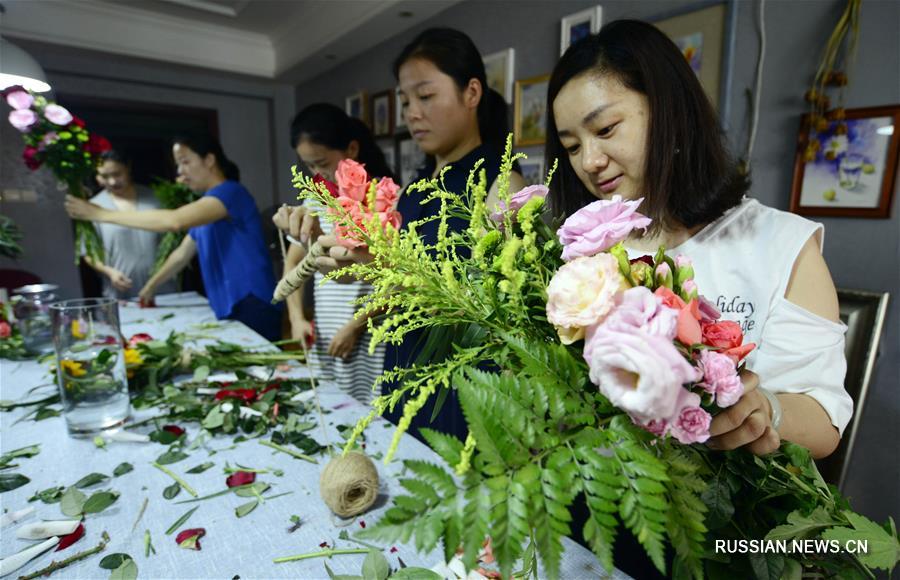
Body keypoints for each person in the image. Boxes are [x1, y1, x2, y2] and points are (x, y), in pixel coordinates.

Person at [545, 19, 852, 577]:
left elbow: (826, 420)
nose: (589, 160)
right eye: (572, 145)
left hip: (722, 537)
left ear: (668, 110)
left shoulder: (778, 244)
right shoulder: (587, 257)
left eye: (606, 128)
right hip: (600, 520)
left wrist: (765, 410)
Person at [283, 28, 527, 441]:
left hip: (463, 373)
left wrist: (379, 268)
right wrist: (324, 248)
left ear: (471, 93)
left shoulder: (502, 184)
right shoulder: (411, 190)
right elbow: (388, 277)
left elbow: (496, 306)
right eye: (406, 101)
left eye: (426, 96)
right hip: (407, 359)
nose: (413, 112)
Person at [65, 135, 282, 341]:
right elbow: (182, 254)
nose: (180, 172)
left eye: (185, 162)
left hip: (252, 301)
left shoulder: (230, 193)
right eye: (178, 165)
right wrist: (150, 287)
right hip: (227, 302)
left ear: (209, 160)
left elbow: (174, 220)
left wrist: (100, 214)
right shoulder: (207, 204)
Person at [272, 103, 394, 404]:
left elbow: (397, 279)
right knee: (330, 406)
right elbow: (293, 265)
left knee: (370, 413)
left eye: (322, 162)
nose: (317, 173)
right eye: (309, 166)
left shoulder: (383, 199)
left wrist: (355, 326)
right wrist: (297, 318)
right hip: (326, 328)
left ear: (351, 149)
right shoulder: (315, 202)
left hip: (369, 334)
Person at [83, 150, 173, 300]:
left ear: (128, 168)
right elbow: (88, 253)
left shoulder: (156, 198)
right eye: (105, 176)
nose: (112, 181)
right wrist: (110, 272)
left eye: (117, 174)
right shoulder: (93, 208)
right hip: (120, 292)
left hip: (163, 288)